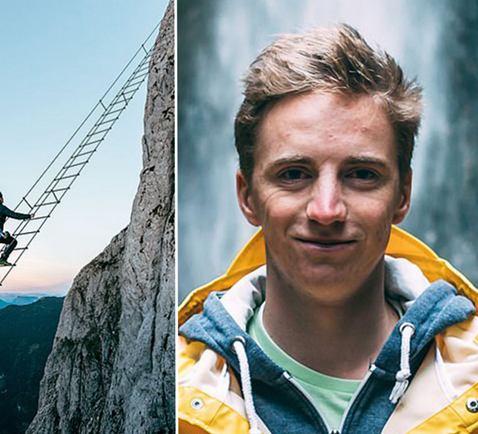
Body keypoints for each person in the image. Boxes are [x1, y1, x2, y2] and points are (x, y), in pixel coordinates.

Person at [178, 25, 478, 434]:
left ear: (403, 195)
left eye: (361, 174)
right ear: (247, 197)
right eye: (294, 173)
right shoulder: (174, 389)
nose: (326, 210)